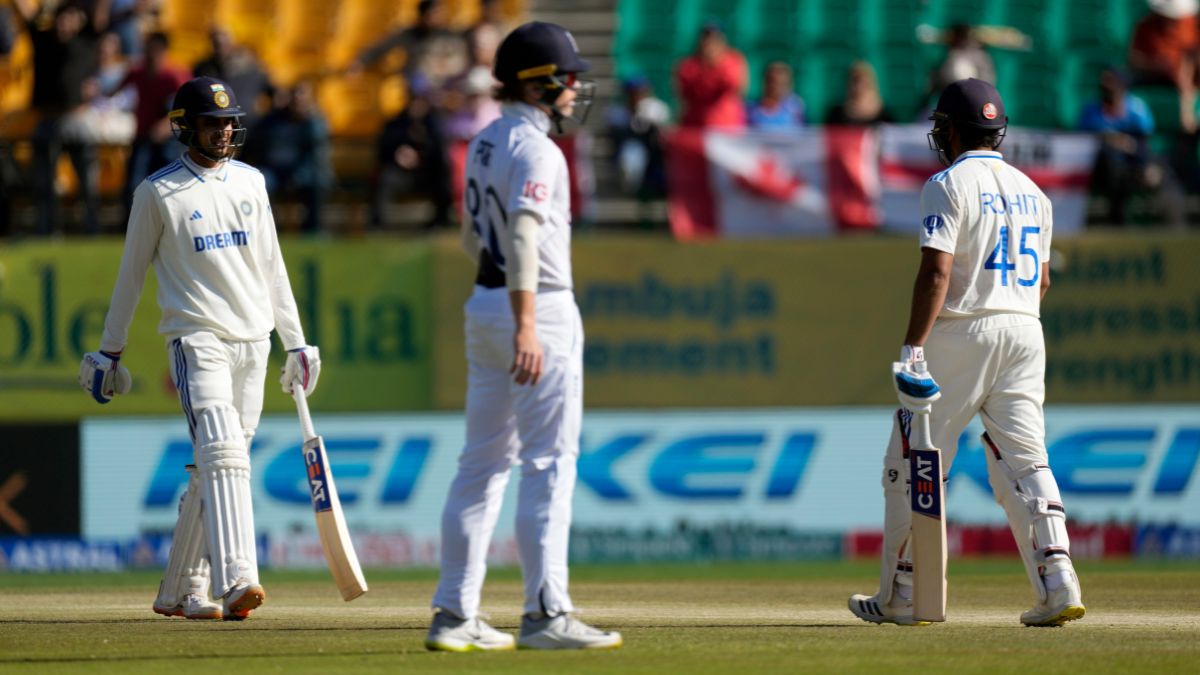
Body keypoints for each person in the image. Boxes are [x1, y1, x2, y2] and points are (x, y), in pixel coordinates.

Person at [77, 76, 321, 621]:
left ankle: (182, 589)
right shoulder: (158, 192)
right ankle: (239, 578)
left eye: (230, 121)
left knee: (215, 466)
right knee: (224, 453)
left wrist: (296, 342)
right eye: (213, 123)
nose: (225, 130)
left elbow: (273, 269)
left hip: (253, 341)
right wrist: (108, 352)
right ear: (186, 127)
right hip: (197, 339)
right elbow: (131, 277)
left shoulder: (252, 183)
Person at [847, 79, 1085, 628]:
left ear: (952, 129)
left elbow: (937, 270)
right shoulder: (1037, 193)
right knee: (1026, 461)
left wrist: (913, 346)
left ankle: (904, 593)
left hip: (963, 331)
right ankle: (1058, 580)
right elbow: (1043, 280)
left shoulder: (946, 184)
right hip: (1027, 329)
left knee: (909, 463)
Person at [424, 21, 620, 652]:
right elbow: (524, 237)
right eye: (566, 81)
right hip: (534, 308)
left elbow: (469, 234)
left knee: (479, 466)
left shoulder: (484, 139)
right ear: (541, 85)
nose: (573, 93)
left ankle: (454, 614)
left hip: (485, 302)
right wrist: (528, 324)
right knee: (549, 463)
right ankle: (545, 613)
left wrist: (503, 310)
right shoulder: (538, 152)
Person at [18, 0, 110, 235]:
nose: (64, 22)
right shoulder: (43, 39)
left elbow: (100, 11)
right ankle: (47, 230)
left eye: (70, 17)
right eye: (61, 17)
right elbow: (25, 13)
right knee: (45, 183)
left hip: (77, 120)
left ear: (78, 21)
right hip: (48, 120)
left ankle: (92, 229)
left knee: (88, 183)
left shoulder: (86, 41)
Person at [1078, 67, 1186, 227]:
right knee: (1113, 164)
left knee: (1161, 171)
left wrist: (1145, 162)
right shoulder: (1091, 111)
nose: (1108, 87)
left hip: (1133, 160)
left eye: (1112, 83)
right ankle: (1118, 225)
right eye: (1105, 83)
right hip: (1103, 167)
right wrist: (1110, 141)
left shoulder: (1136, 108)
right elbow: (1080, 140)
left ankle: (1177, 230)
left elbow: (1143, 141)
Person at [116, 31, 191, 215]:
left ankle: (173, 219)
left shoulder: (175, 75)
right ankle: (132, 224)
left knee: (169, 183)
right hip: (142, 135)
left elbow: (188, 106)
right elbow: (112, 91)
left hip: (167, 139)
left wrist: (166, 125)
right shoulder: (138, 72)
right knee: (134, 183)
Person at [242, 80, 331, 233]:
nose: (297, 102)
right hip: (273, 170)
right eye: (294, 98)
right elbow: (256, 143)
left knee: (318, 180)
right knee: (261, 181)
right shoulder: (273, 120)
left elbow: (317, 154)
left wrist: (310, 118)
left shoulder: (314, 123)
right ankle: (266, 228)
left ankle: (313, 229)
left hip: (303, 171)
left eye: (302, 99)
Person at [675, 23, 747, 129]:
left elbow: (736, 87)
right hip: (696, 126)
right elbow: (684, 94)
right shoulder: (688, 65)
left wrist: (715, 64)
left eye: (715, 38)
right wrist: (704, 66)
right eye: (707, 37)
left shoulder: (734, 60)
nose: (710, 42)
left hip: (727, 126)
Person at [825, 60, 895, 126]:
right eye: (855, 81)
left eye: (864, 82)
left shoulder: (885, 116)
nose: (859, 87)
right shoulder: (835, 115)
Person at [746, 61, 804, 130]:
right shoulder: (751, 110)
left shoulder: (796, 107)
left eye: (782, 83)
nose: (775, 86)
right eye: (771, 81)